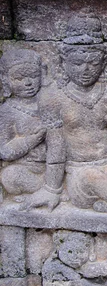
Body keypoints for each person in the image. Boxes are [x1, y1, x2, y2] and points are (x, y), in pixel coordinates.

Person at [21, 14, 107, 215]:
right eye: (77, 63)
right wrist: (51, 190)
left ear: (104, 62)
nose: (85, 70)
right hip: (79, 171)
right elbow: (56, 148)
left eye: (93, 63)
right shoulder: (53, 98)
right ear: (64, 61)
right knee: (91, 178)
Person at [0, 49, 46, 196]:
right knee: (10, 176)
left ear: (42, 74)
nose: (28, 83)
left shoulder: (49, 102)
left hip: (55, 164)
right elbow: (4, 150)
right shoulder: (7, 110)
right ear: (6, 80)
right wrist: (31, 140)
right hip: (26, 166)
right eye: (19, 79)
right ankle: (47, 188)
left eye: (33, 76)